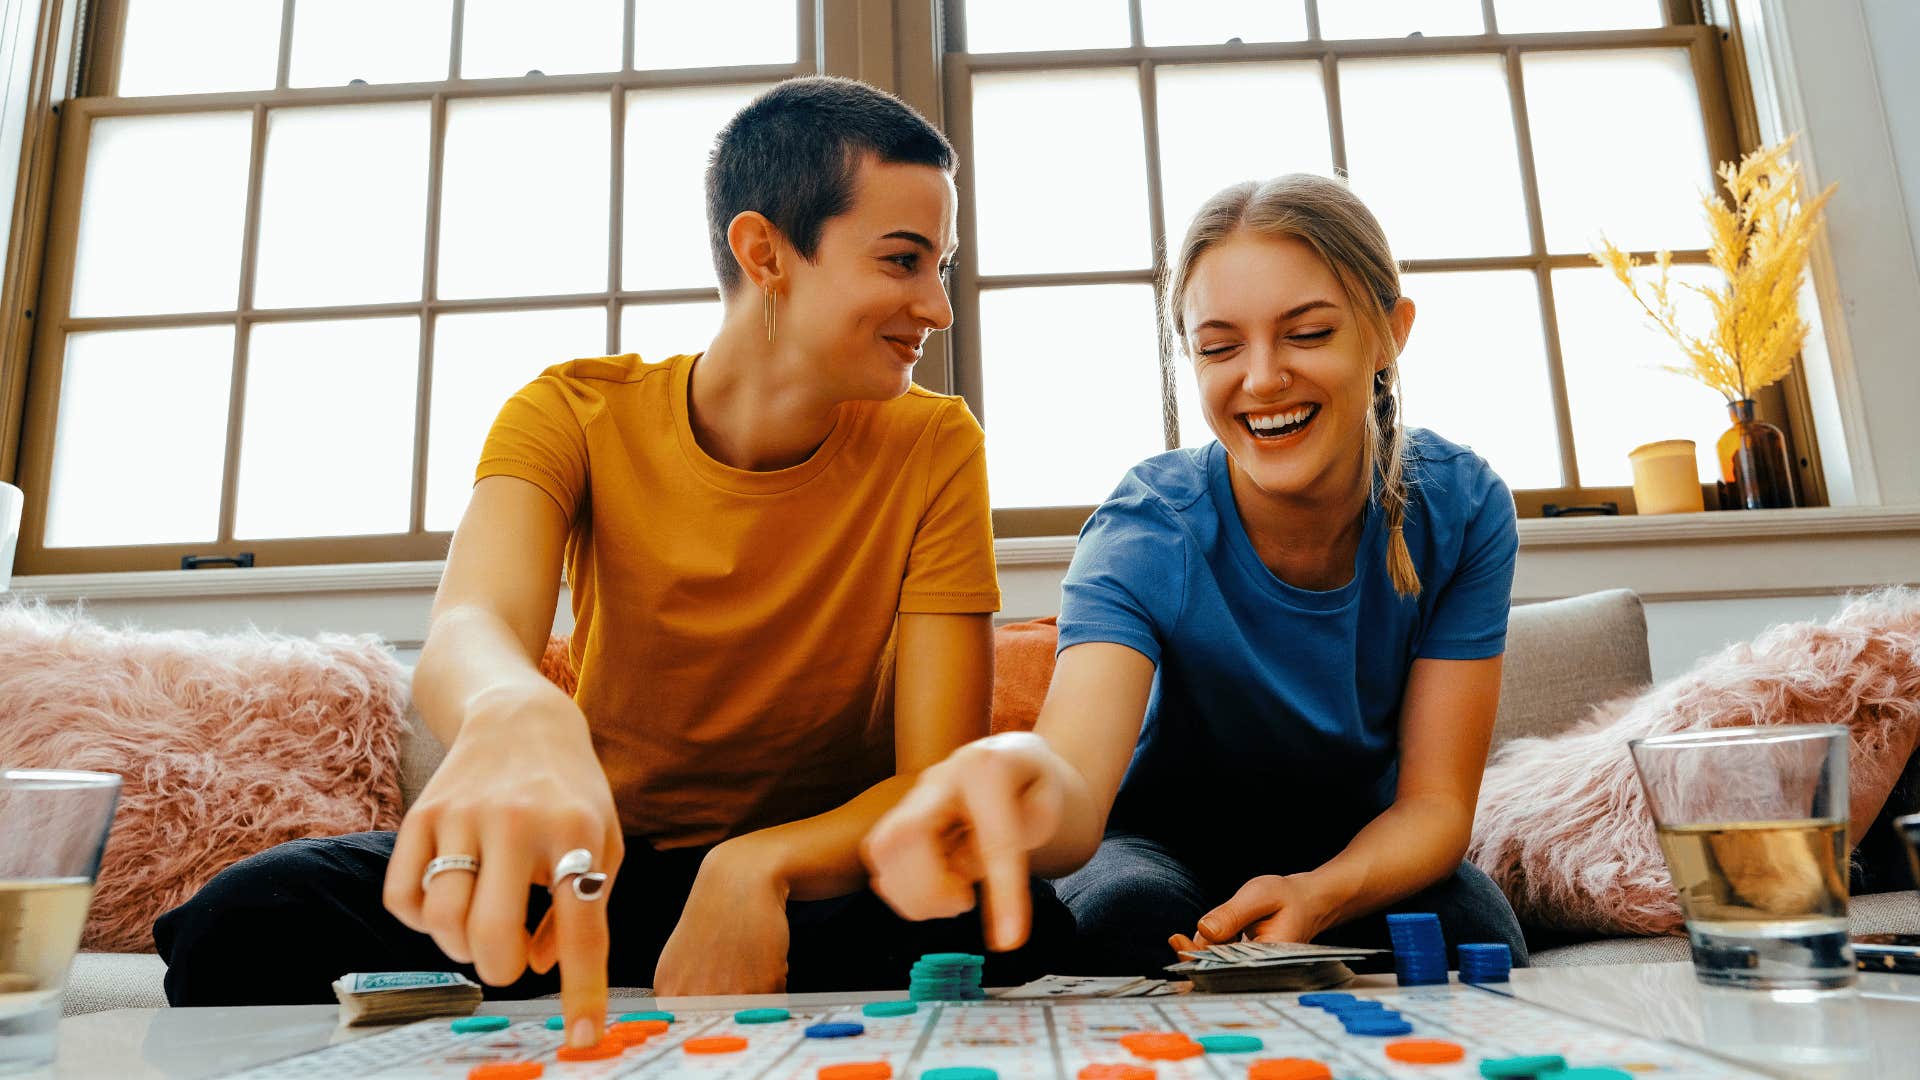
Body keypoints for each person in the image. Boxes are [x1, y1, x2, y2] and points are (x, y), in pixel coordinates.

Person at [154, 76, 1069, 1047]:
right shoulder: (571, 413)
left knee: (1024, 927)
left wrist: (753, 869)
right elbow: (471, 628)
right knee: (240, 922)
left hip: (813, 882)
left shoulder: (936, 445)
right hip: (595, 871)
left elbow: (935, 777)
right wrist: (512, 704)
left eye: (944, 266)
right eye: (903, 261)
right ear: (765, 253)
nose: (938, 305)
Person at [862, 173, 1528, 978]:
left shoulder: (1463, 505)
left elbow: (1435, 807)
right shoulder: (1149, 523)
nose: (1261, 378)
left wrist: (1321, 893)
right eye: (1219, 348)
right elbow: (1075, 783)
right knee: (1127, 922)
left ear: (1389, 333)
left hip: (1356, 846)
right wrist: (1019, 770)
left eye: (1308, 334)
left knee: (1470, 924)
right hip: (1158, 845)